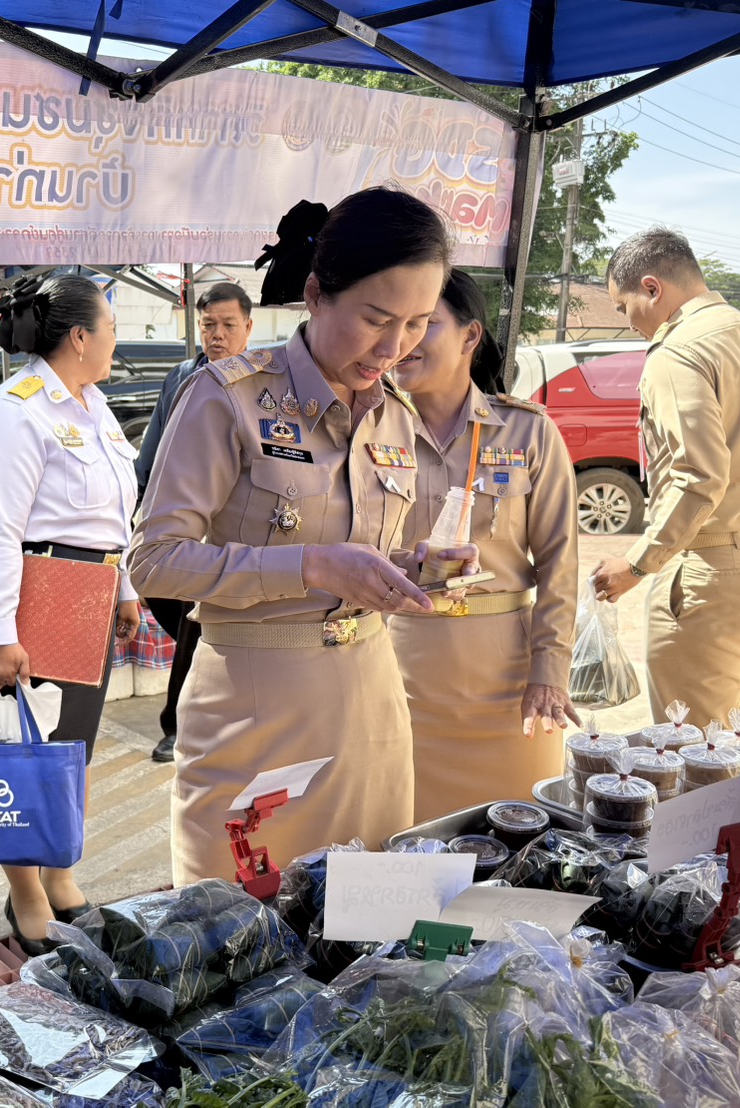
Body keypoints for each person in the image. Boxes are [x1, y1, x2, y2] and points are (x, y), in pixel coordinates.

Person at [130, 187, 464, 884]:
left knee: (360, 929)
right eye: (375, 319)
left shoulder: (394, 415)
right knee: (240, 937)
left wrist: (414, 567)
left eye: (416, 324)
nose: (393, 347)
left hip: (370, 703)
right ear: (314, 293)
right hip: (256, 711)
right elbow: (155, 562)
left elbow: (363, 554)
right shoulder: (228, 398)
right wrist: (309, 566)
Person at [0, 274, 143, 953]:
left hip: (88, 593)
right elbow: (1, 531)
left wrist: (121, 587)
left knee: (70, 749)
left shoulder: (90, 406)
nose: (115, 344)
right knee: (21, 751)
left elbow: (106, 519)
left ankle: (62, 875)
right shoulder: (19, 410)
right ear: (78, 337)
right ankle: (26, 893)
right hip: (39, 591)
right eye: (112, 331)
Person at [594, 229, 740, 726]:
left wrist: (636, 563)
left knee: (694, 760)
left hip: (715, 573)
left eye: (621, 306)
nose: (627, 323)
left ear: (652, 289)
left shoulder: (677, 352)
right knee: (724, 737)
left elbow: (698, 477)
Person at [389, 271, 579, 820]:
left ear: (470, 336)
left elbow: (560, 563)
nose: (403, 341)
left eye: (423, 324)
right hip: (402, 675)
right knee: (410, 835)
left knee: (520, 833)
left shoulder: (527, 432)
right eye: (397, 325)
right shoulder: (371, 427)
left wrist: (550, 666)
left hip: (509, 681)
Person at [135, 281, 254, 763]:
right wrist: (141, 505)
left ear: (248, 326)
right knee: (180, 610)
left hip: (232, 523)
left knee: (195, 619)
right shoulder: (183, 375)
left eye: (228, 325)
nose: (217, 335)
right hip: (180, 518)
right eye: (208, 325)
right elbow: (156, 446)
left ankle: (177, 724)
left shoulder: (262, 379)